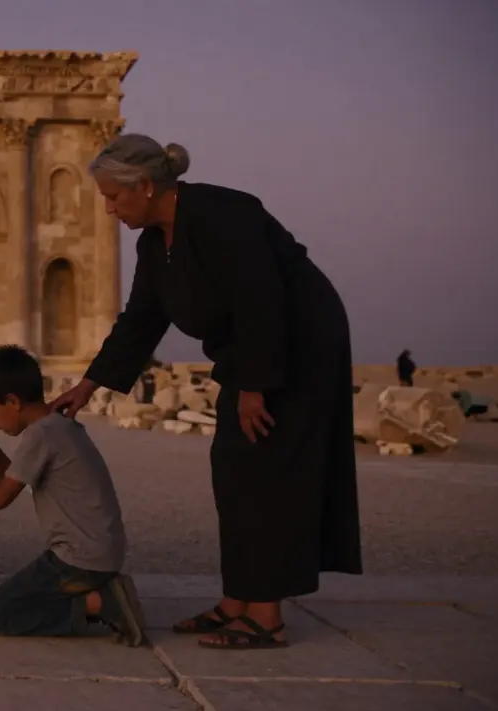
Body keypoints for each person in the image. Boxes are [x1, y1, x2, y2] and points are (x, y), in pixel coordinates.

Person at [51, 134, 363, 650]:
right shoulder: (154, 243)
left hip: (297, 346)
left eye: (113, 197)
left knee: (268, 471)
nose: (107, 209)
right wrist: (88, 384)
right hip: (248, 353)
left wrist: (257, 386)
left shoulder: (224, 214)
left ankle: (266, 617)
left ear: (145, 187)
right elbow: (141, 321)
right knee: (233, 467)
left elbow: (262, 298)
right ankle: (236, 601)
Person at [0, 344, 146, 646]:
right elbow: (16, 476)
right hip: (100, 553)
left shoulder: (40, 435)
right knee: (19, 595)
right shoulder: (55, 425)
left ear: (12, 401)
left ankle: (100, 603)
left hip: (79, 561)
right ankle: (103, 592)